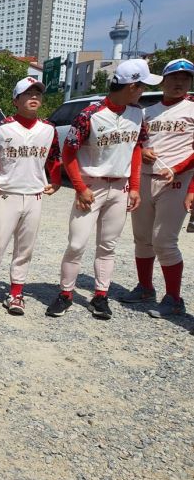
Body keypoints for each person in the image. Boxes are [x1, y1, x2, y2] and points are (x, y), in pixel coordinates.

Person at [45, 59, 159, 319]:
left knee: (108, 246)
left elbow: (136, 149)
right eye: (141, 86)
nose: (142, 91)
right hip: (91, 187)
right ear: (131, 86)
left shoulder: (136, 113)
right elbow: (69, 152)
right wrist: (79, 187)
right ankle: (65, 294)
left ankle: (100, 296)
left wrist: (135, 187)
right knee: (76, 244)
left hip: (119, 188)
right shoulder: (90, 114)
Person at [0, 77, 62, 316]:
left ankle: (16, 293)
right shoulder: (1, 128)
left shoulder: (48, 129)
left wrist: (56, 181)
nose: (34, 97)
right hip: (6, 194)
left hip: (34, 195)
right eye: (28, 93)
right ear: (16, 99)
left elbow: (54, 159)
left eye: (38, 93)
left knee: (25, 249)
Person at [122, 58, 194, 318]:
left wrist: (179, 170)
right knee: (142, 238)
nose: (179, 82)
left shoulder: (191, 109)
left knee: (164, 240)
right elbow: (134, 145)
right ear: (163, 80)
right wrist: (143, 149)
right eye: (174, 77)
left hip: (175, 181)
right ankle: (145, 287)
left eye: (185, 78)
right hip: (145, 178)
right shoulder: (147, 112)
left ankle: (174, 298)